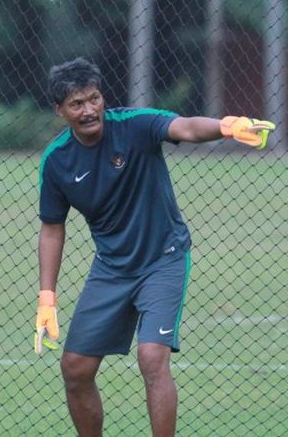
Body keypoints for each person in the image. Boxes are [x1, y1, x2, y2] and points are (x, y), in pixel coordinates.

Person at [33, 57, 274, 437]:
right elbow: (52, 228)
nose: (89, 109)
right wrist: (47, 295)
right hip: (112, 267)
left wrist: (227, 127)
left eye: (94, 98)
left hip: (163, 259)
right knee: (75, 368)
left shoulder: (135, 125)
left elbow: (186, 128)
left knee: (151, 358)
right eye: (76, 104)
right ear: (59, 110)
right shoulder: (57, 161)